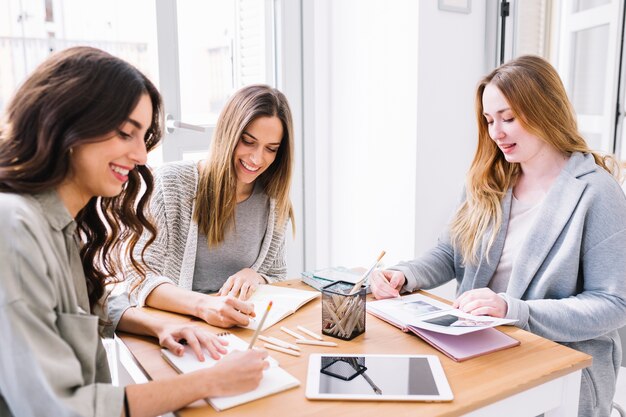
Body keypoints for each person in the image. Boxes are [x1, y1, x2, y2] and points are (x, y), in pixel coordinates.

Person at [0, 46, 268, 417]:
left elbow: (73, 309)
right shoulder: (14, 229)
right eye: (126, 133)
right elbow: (57, 408)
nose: (142, 155)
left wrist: (156, 324)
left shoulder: (60, 225)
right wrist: (211, 381)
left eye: (144, 138)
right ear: (65, 124)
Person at [370, 55, 626, 417]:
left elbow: (613, 305)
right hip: (477, 349)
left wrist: (513, 310)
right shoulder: (490, 179)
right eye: (489, 120)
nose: (496, 133)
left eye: (508, 118)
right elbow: (450, 253)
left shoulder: (597, 192)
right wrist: (406, 274)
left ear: (545, 111)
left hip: (556, 364)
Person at [129, 84, 295, 328]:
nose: (257, 159)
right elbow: (138, 277)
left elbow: (278, 275)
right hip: (180, 327)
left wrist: (257, 276)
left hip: (239, 327)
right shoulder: (170, 184)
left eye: (271, 149)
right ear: (228, 134)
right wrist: (204, 306)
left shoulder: (274, 200)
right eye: (248, 142)